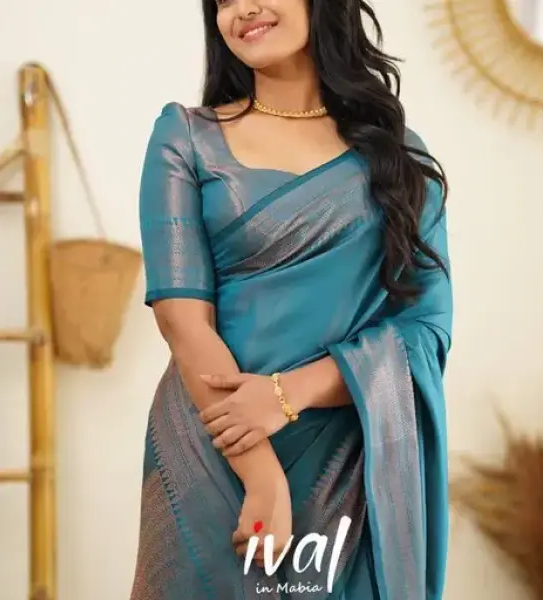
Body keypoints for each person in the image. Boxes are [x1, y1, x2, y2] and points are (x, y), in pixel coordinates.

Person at [131, 0, 453, 598]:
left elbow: (425, 330)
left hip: (347, 460)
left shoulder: (396, 159)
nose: (243, 9)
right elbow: (183, 322)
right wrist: (261, 474)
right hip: (214, 447)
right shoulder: (187, 138)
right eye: (224, 0)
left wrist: (285, 396)